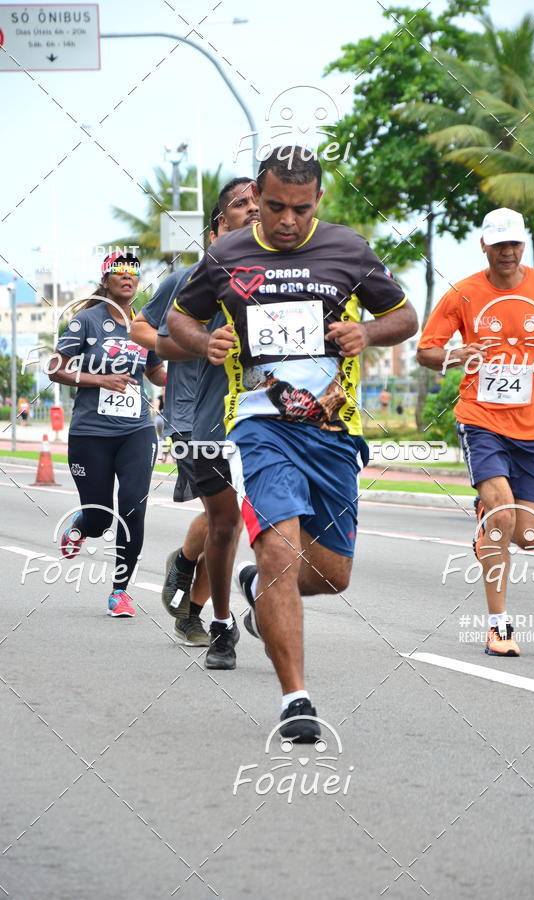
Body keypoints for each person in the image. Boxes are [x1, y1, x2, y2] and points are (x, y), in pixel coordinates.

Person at [168, 146, 418, 741]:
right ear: (260, 196)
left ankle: (255, 587)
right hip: (259, 426)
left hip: (332, 432)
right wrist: (205, 342)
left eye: (300, 209)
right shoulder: (227, 254)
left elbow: (406, 318)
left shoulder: (349, 250)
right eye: (275, 206)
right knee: (280, 550)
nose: (286, 221)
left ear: (318, 202)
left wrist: (368, 330)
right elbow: (179, 317)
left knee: (331, 576)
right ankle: (296, 700)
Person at [417, 208, 534, 657]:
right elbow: (426, 351)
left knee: (528, 535)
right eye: (499, 244)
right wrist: (458, 354)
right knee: (501, 515)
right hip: (482, 418)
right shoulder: (464, 293)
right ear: (484, 246)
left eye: (514, 244)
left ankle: (486, 527)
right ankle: (499, 626)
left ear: (522, 246)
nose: (507, 252)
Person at [130, 179, 258, 666]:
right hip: (195, 418)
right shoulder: (191, 277)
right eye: (239, 206)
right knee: (225, 518)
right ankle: (205, 603)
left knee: (230, 520)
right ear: (216, 227)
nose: (252, 211)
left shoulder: (273, 279)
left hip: (257, 419)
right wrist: (193, 344)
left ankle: (194, 592)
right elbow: (142, 326)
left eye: (257, 205)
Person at [49, 252, 166, 617]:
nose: (128, 277)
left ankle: (120, 592)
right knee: (101, 517)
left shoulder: (144, 323)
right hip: (91, 434)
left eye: (134, 272)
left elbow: (156, 373)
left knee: (133, 506)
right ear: (107, 279)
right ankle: (83, 526)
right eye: (120, 272)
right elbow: (55, 368)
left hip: (137, 430)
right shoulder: (87, 320)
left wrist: (189, 372)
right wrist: (100, 379)